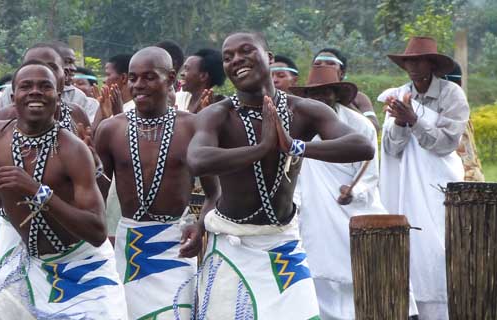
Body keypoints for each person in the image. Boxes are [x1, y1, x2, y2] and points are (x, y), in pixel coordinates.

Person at [186, 32, 374, 319]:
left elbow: (363, 146)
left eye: (246, 51)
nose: (237, 60)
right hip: (231, 244)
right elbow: (197, 160)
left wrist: (294, 145)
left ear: (269, 58)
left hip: (282, 243)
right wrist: (262, 148)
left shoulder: (303, 110)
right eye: (228, 57)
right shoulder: (218, 114)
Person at [0, 62, 127, 319]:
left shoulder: (72, 150)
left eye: (45, 86)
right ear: (13, 95)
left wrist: (36, 190)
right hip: (31, 266)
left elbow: (97, 231)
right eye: (26, 86)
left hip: (83, 267)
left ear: (58, 96)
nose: (35, 92)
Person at [94, 47, 220, 319]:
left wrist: (199, 227)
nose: (139, 85)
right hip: (128, 244)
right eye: (133, 78)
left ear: (171, 78)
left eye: (149, 77)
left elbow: (215, 193)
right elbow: (95, 199)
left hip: (176, 244)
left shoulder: (193, 127)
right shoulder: (111, 129)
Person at [289, 65, 390, 320]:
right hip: (313, 211)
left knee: (354, 278)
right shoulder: (298, 123)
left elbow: (370, 175)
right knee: (316, 277)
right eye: (314, 93)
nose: (320, 97)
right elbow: (293, 170)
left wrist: (353, 192)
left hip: (351, 212)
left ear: (336, 93)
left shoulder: (359, 125)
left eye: (326, 92)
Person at [379, 36, 468, 320]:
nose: (413, 67)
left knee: (438, 245)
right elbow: (391, 148)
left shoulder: (451, 94)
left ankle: (444, 310)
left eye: (418, 60)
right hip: (406, 183)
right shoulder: (398, 94)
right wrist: (401, 122)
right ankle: (411, 309)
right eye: (408, 61)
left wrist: (415, 120)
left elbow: (446, 144)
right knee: (410, 245)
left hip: (437, 182)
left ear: (432, 64)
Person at [0, 44, 92, 136]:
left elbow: (92, 150)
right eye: (32, 67)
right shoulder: (5, 118)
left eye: (51, 68)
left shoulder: (77, 115)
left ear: (65, 75)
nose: (42, 73)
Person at [312, 48, 380, 130]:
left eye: (330, 64)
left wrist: (345, 100)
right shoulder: (304, 97)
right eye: (317, 64)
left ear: (342, 73)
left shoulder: (358, 98)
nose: (323, 67)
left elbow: (374, 128)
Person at [178, 48, 227, 113]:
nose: (182, 73)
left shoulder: (219, 107)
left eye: (187, 69)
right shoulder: (178, 98)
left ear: (203, 76)